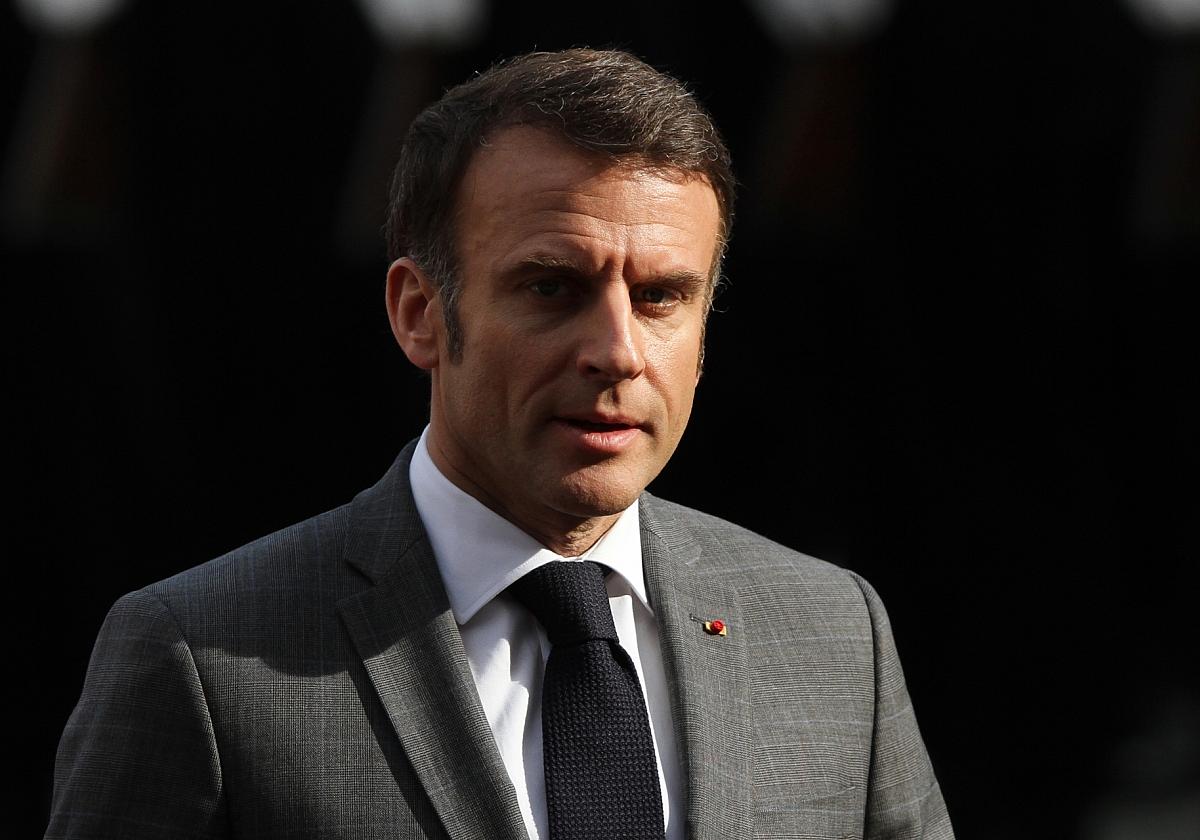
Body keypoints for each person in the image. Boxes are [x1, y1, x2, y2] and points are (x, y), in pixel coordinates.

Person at [46, 49, 953, 840]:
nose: (618, 352)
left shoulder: (833, 634)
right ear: (419, 314)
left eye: (661, 297)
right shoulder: (202, 657)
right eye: (552, 287)